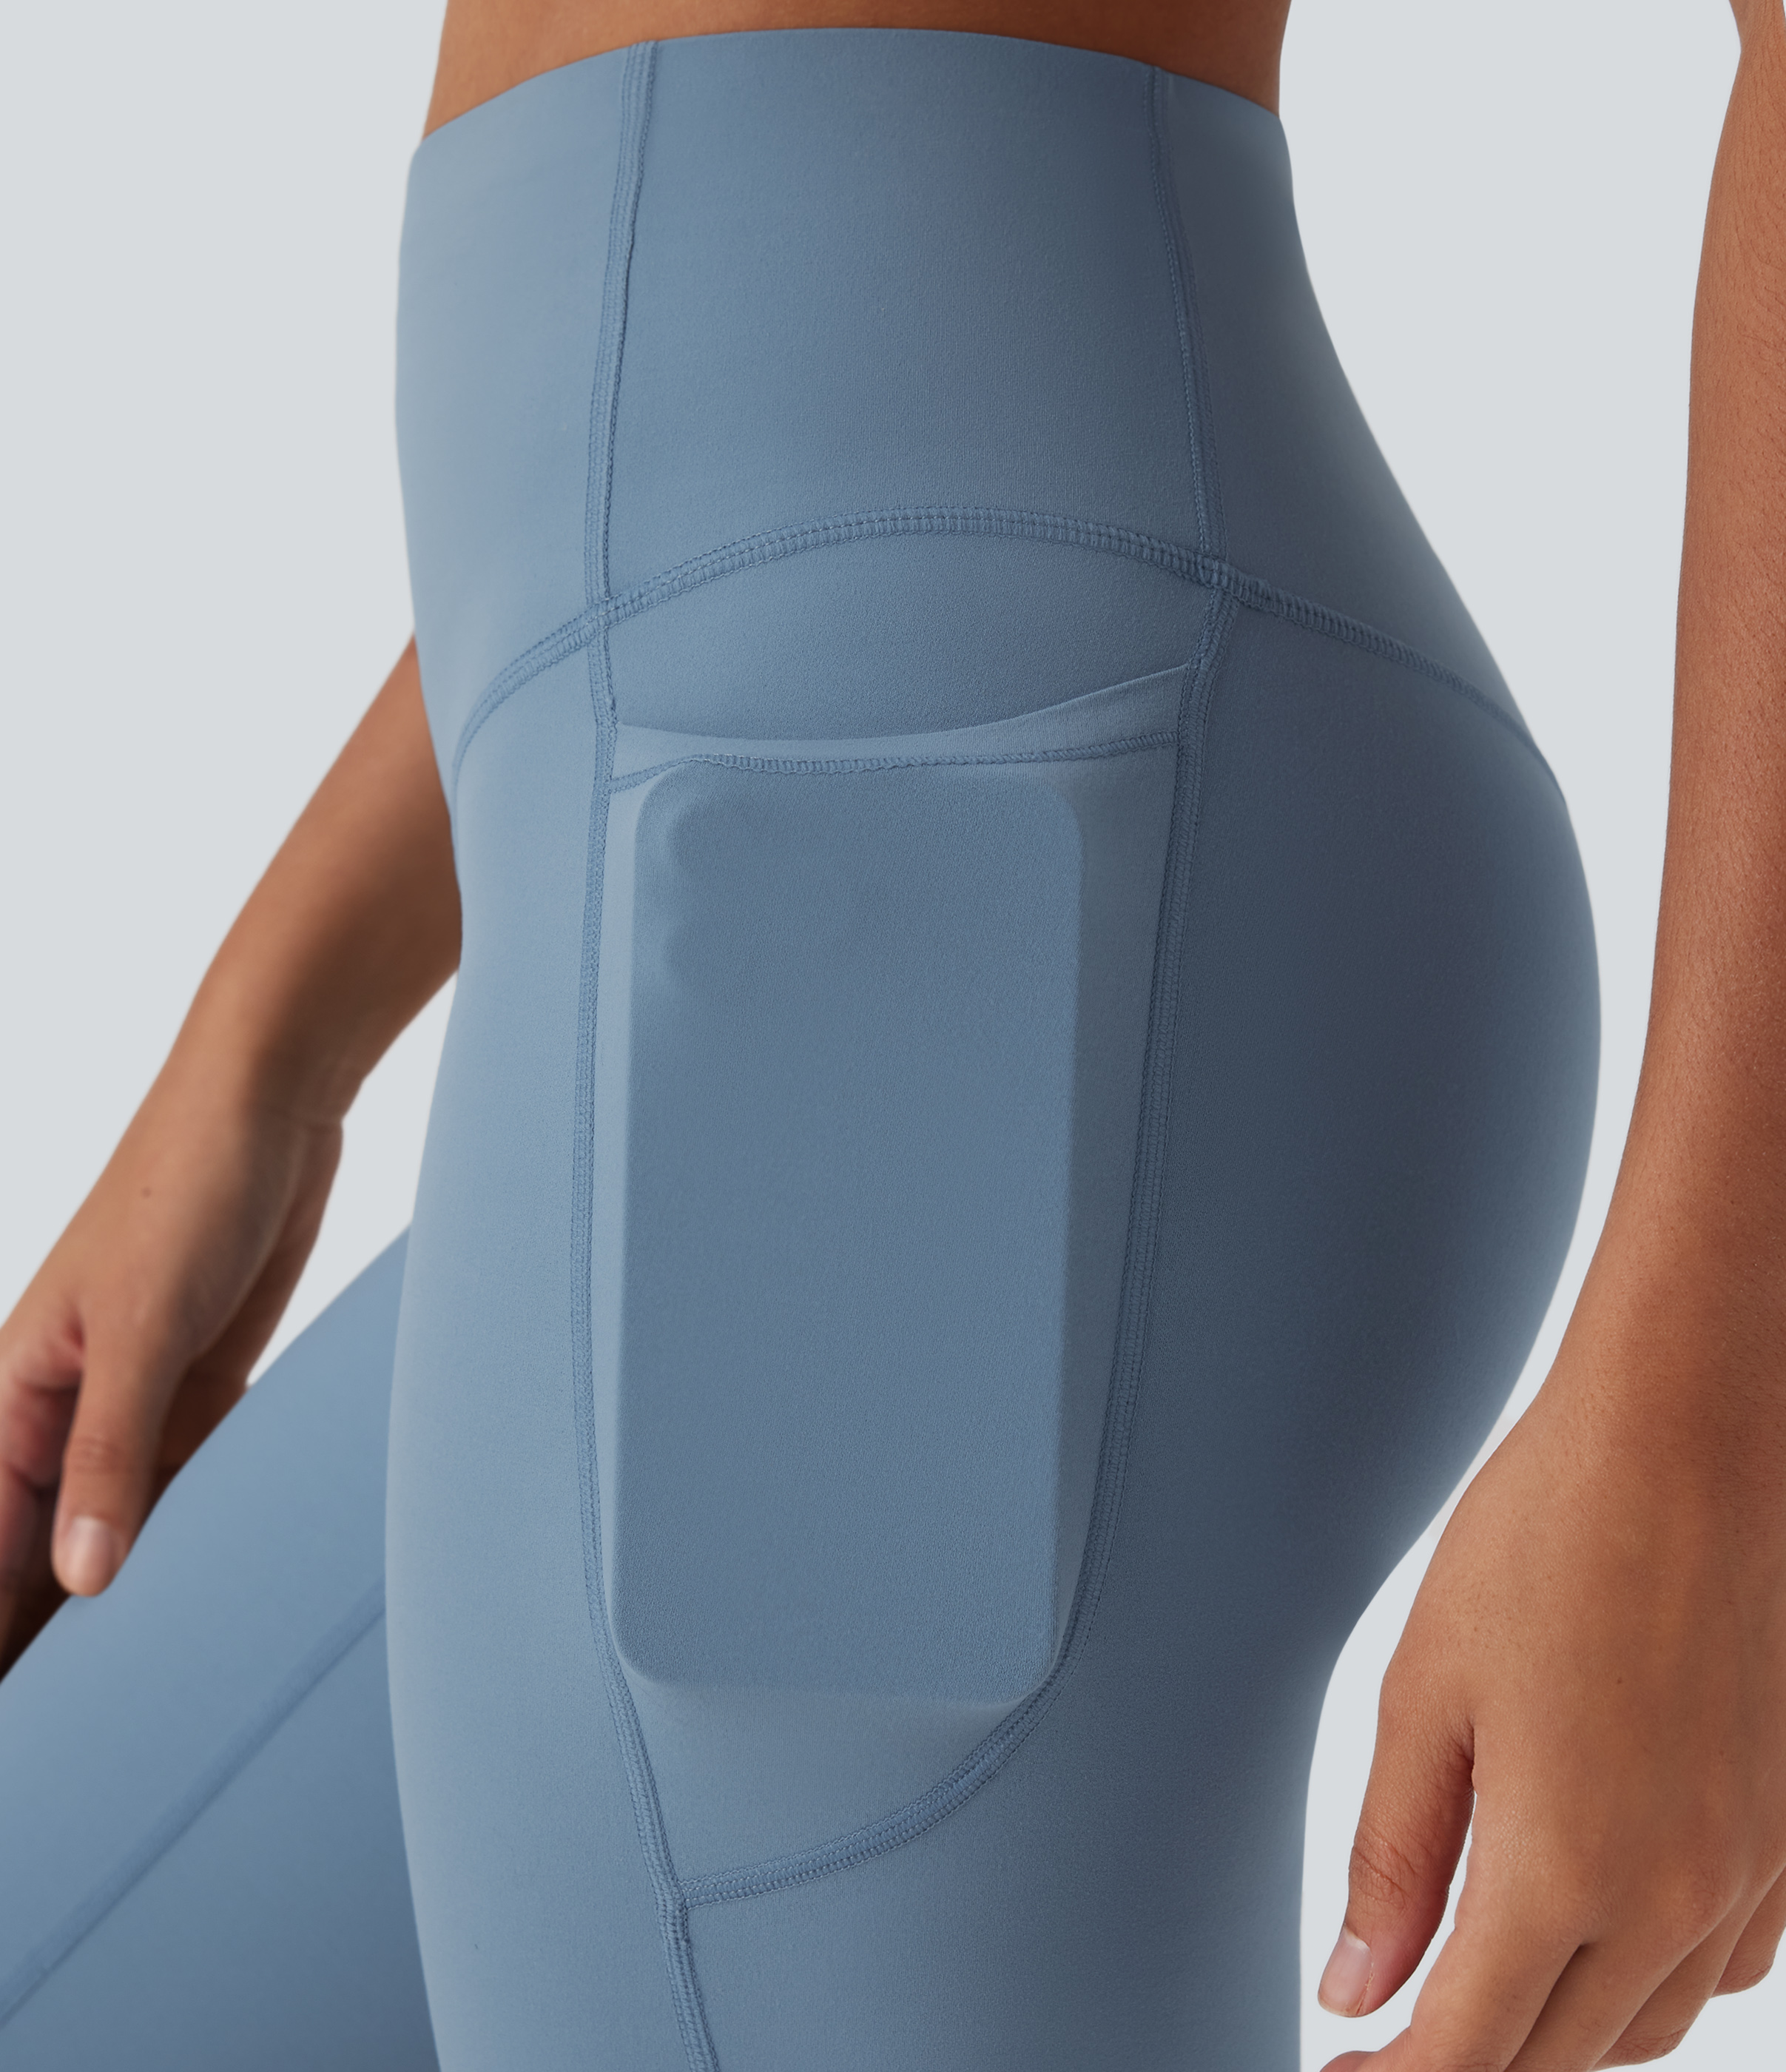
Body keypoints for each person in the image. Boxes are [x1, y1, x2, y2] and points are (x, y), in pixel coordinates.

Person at [0, 4, 1782, 2069]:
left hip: (938, 893)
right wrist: (265, 1047)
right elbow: (696, 402)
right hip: (789, 863)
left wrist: (1713, 1429)